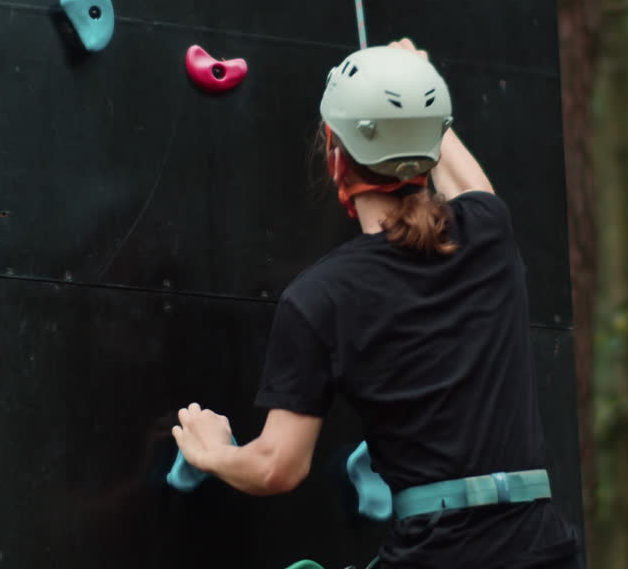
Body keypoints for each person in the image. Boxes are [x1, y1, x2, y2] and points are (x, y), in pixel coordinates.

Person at [172, 39, 579, 568]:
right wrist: (415, 84)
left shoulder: (320, 297)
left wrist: (214, 453)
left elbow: (278, 467)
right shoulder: (488, 235)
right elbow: (467, 182)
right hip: (543, 550)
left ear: (334, 153)